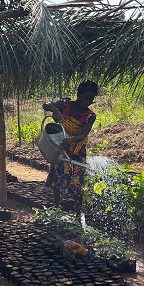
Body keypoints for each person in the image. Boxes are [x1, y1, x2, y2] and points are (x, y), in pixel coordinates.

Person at [42, 80, 98, 214]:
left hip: (77, 151)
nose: (88, 102)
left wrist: (71, 140)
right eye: (86, 98)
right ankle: (57, 209)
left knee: (76, 182)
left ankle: (79, 213)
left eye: (91, 99)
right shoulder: (65, 104)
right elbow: (46, 105)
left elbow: (83, 134)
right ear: (79, 94)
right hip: (60, 148)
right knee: (58, 176)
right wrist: (55, 110)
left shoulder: (90, 116)